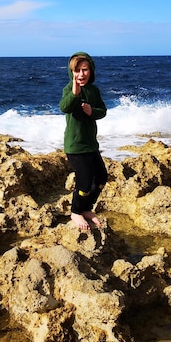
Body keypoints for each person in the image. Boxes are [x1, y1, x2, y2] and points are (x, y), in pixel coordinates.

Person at [59, 52, 108, 230]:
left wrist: (91, 111)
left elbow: (102, 111)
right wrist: (74, 93)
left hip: (91, 145)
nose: (81, 74)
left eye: (85, 70)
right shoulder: (69, 90)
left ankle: (87, 208)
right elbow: (64, 107)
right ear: (71, 72)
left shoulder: (94, 91)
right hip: (75, 146)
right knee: (84, 182)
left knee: (101, 177)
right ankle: (75, 211)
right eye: (77, 70)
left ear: (91, 71)